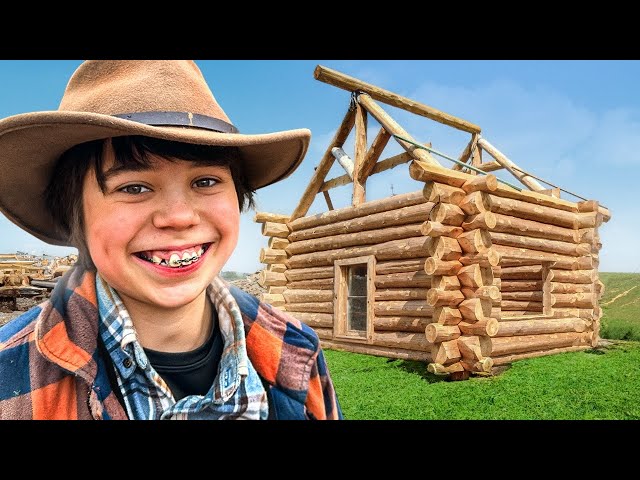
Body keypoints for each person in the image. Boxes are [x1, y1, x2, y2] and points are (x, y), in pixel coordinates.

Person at [0, 60, 342, 420]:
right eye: (134, 187)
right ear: (76, 217)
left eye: (206, 182)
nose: (179, 217)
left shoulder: (295, 349)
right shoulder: (12, 381)